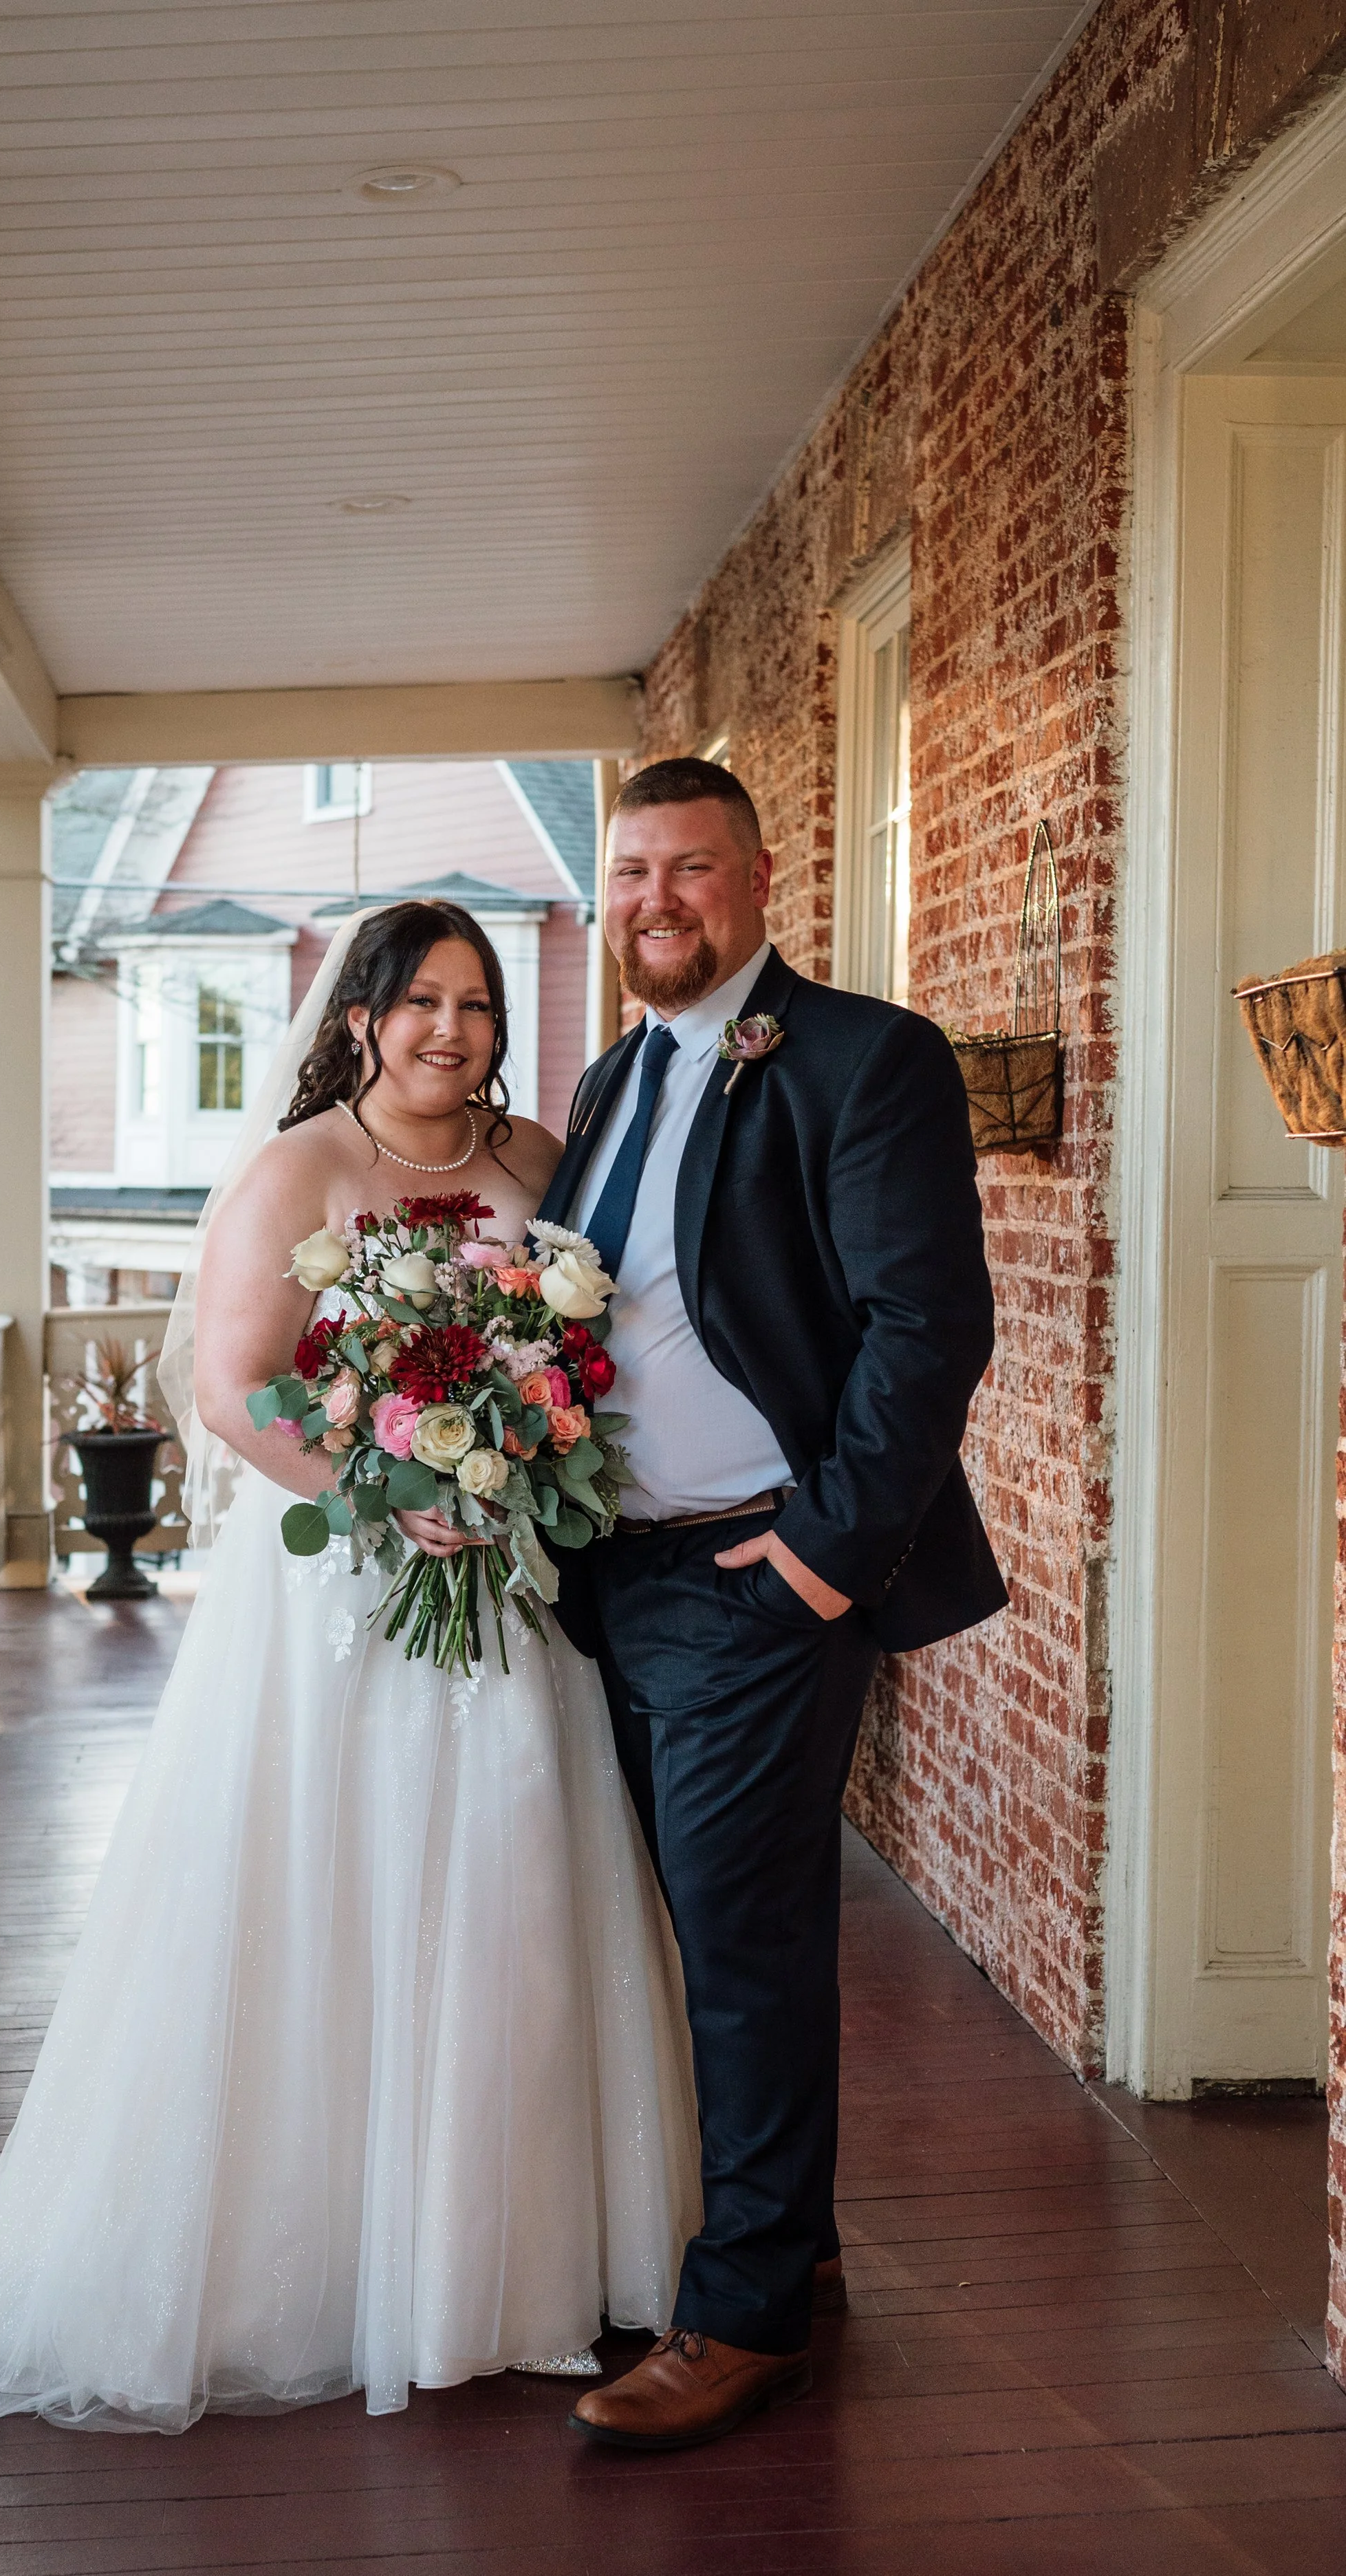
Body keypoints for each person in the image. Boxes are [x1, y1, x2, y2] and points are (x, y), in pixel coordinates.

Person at [0, 899, 700, 2434]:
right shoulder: (294, 1170)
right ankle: (324, 2263)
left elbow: (588, 1348)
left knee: (516, 1871)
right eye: (423, 1002)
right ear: (364, 1016)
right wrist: (400, 1497)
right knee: (327, 1883)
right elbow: (242, 1393)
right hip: (347, 1586)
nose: (454, 1031)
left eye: (479, 1005)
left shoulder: (530, 1165)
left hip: (505, 1579)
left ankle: (513, 2257)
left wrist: (517, 1453)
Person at [549, 757, 1004, 2452]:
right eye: (628, 876)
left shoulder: (858, 1058)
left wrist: (820, 1556)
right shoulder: (606, 1082)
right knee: (688, 1925)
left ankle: (740, 2316)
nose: (654, 903)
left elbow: (923, 1329)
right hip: (620, 1570)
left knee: (740, 1946)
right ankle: (791, 2242)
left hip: (758, 1574)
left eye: (686, 871)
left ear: (756, 880)